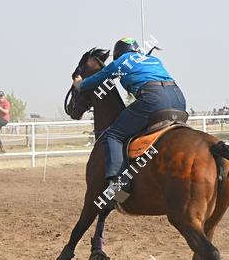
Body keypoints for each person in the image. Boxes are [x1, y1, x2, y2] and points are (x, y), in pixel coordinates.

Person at [73, 37, 185, 202]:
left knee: (113, 135)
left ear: (119, 54)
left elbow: (99, 78)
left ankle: (118, 189)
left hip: (153, 99)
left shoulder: (122, 61)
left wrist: (80, 84)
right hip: (179, 98)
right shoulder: (153, 59)